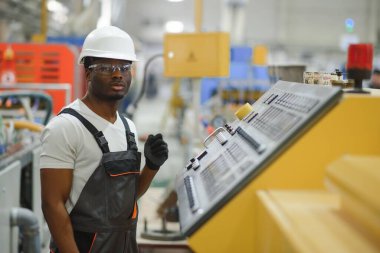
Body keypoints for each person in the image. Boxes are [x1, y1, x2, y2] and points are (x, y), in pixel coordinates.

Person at [40, 26, 169, 253]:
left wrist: (151, 167)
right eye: (107, 67)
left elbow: (124, 200)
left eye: (124, 67)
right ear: (88, 73)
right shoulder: (66, 127)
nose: (118, 74)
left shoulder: (128, 127)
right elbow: (52, 205)